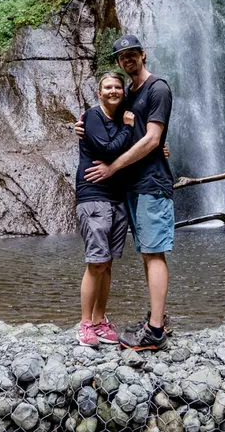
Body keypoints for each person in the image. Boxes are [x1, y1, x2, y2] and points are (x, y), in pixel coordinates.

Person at [83, 33, 174, 351]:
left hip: (151, 183)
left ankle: (156, 331)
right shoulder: (130, 93)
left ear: (143, 55)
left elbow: (151, 139)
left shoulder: (158, 88)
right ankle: (157, 319)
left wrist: (113, 168)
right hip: (133, 187)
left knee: (154, 253)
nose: (128, 59)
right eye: (123, 56)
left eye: (133, 54)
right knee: (148, 253)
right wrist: (82, 126)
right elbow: (110, 123)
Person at [75, 72, 136, 347]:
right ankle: (85, 323)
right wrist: (126, 129)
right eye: (108, 87)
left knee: (107, 263)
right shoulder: (92, 117)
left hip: (117, 197)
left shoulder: (125, 116)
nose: (113, 91)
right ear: (99, 93)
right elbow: (108, 150)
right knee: (96, 261)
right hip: (94, 196)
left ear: (123, 91)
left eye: (117, 87)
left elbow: (135, 151)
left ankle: (100, 321)